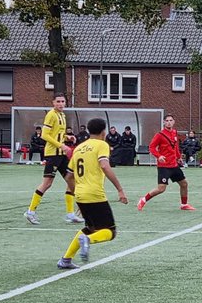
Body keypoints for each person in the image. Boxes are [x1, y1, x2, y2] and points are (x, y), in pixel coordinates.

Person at [56, 118, 129, 270]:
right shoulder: (102, 145)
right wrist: (120, 189)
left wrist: (78, 195)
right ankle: (87, 240)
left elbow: (69, 177)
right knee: (110, 231)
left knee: (90, 227)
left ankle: (66, 259)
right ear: (104, 132)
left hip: (80, 194)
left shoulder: (79, 148)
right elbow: (105, 166)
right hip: (95, 194)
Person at [24, 94, 82, 225]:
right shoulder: (51, 115)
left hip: (61, 154)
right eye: (58, 101)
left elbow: (56, 134)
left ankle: (70, 214)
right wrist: (61, 145)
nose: (61, 104)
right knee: (47, 183)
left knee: (71, 179)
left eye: (63, 101)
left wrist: (67, 137)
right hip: (53, 154)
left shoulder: (62, 115)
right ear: (53, 103)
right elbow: (45, 135)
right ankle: (30, 211)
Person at [137, 114, 196, 211]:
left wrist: (178, 157)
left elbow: (175, 146)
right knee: (161, 188)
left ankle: (184, 205)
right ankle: (143, 200)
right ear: (164, 122)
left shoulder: (174, 132)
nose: (169, 122)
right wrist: (159, 156)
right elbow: (151, 147)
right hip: (164, 166)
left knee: (184, 184)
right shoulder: (160, 135)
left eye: (171, 120)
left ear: (174, 122)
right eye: (167, 120)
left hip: (174, 165)